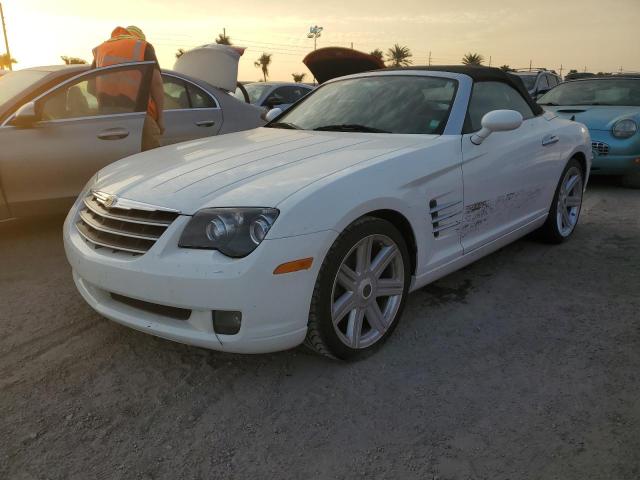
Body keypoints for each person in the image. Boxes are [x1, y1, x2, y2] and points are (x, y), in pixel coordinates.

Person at [91, 26, 165, 151]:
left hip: (106, 116)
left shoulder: (101, 49)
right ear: (139, 38)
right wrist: (161, 119)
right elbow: (156, 84)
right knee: (151, 162)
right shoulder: (143, 46)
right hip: (139, 115)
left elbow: (90, 86)